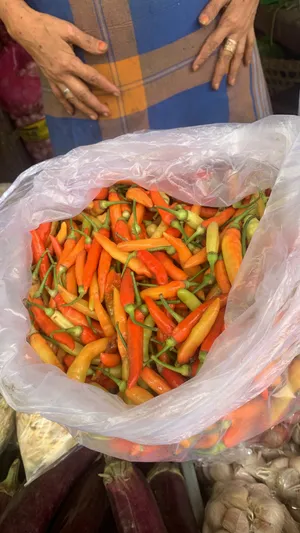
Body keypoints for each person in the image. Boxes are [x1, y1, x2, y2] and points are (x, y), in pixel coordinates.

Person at [0, 0, 271, 156]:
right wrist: (18, 19)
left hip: (209, 32)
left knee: (243, 197)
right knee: (107, 217)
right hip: (83, 55)